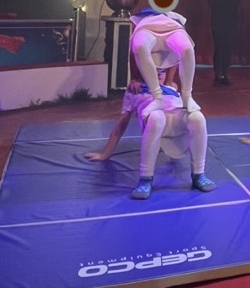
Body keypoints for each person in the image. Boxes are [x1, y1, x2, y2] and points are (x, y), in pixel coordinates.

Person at [85, 67, 216, 199]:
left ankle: (199, 174)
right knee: (156, 118)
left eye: (162, 71)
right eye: (154, 70)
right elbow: (121, 125)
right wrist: (105, 154)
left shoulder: (171, 87)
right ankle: (145, 178)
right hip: (154, 123)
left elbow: (175, 61)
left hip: (176, 123)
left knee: (198, 118)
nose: (158, 73)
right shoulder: (134, 90)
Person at [130, 8, 200, 115]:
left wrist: (169, 80)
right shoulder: (141, 17)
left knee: (187, 49)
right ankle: (157, 98)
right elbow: (133, 53)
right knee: (140, 46)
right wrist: (134, 79)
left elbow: (178, 56)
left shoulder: (176, 17)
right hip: (146, 28)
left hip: (172, 27)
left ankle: (187, 97)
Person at [207, 0, 242, 86]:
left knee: (228, 47)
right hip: (218, 19)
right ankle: (217, 74)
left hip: (231, 19)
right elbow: (210, 0)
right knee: (218, 46)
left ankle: (225, 74)